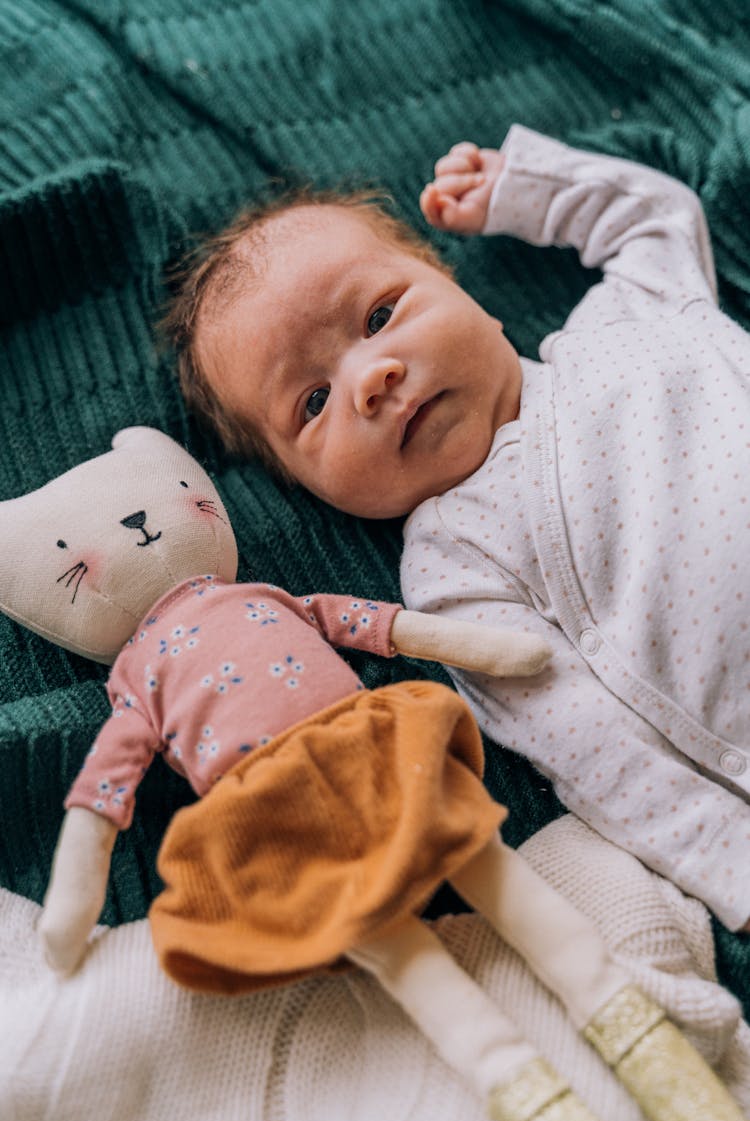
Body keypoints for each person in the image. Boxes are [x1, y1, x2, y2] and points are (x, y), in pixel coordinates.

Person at [161, 125, 750, 934]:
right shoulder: (454, 562)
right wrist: (726, 857)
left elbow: (657, 217)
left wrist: (525, 188)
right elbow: (584, 742)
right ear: (303, 485)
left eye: (379, 314)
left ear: (451, 281)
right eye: (312, 402)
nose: (371, 377)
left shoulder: (622, 319)